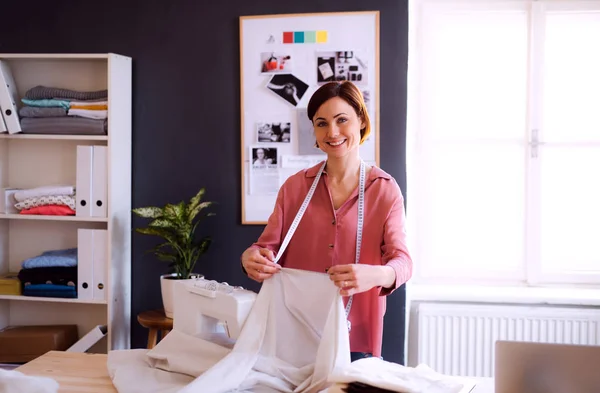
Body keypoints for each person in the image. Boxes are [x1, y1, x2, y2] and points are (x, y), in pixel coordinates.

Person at [240, 81, 412, 361]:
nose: (332, 132)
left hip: (356, 333)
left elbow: (403, 261)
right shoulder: (295, 187)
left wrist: (376, 274)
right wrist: (251, 258)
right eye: (321, 123)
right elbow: (265, 248)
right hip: (295, 329)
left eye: (342, 120)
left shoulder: (384, 189)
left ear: (361, 121)